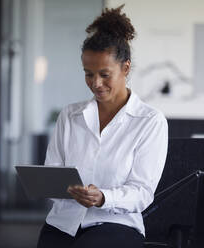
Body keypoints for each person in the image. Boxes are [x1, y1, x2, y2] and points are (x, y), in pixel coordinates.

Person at [37, 5, 168, 248]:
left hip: (116, 223)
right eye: (88, 74)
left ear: (125, 68)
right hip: (63, 222)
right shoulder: (70, 115)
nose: (95, 83)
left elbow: (142, 192)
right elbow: (52, 171)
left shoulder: (150, 121)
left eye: (104, 74)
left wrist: (103, 197)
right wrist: (63, 188)